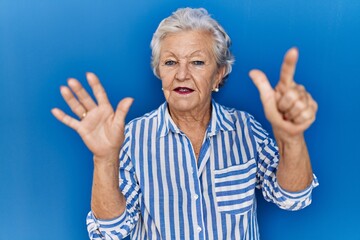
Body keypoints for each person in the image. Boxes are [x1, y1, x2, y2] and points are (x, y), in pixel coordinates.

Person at [51, 7, 318, 240]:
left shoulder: (246, 129)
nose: (181, 74)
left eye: (197, 62)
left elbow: (292, 199)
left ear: (219, 75)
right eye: (170, 62)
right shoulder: (132, 136)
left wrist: (292, 139)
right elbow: (110, 232)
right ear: (159, 72)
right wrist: (104, 159)